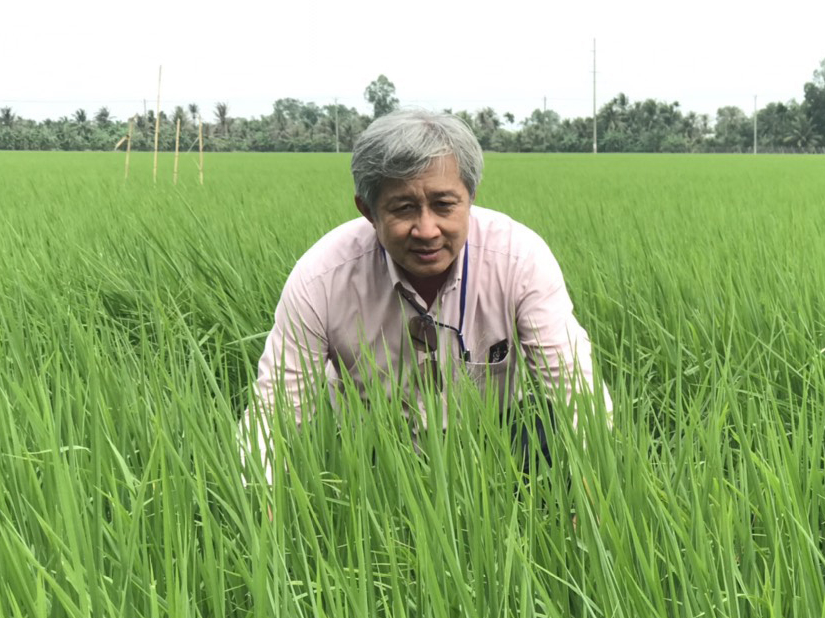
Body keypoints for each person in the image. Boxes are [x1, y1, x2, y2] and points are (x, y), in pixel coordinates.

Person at [242, 109, 610, 484]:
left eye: (444, 205)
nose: (427, 230)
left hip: (495, 446)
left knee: (544, 430)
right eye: (403, 208)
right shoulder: (322, 276)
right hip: (374, 454)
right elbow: (276, 409)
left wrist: (596, 491)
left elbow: (574, 390)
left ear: (470, 198)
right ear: (368, 210)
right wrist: (261, 497)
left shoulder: (519, 260)